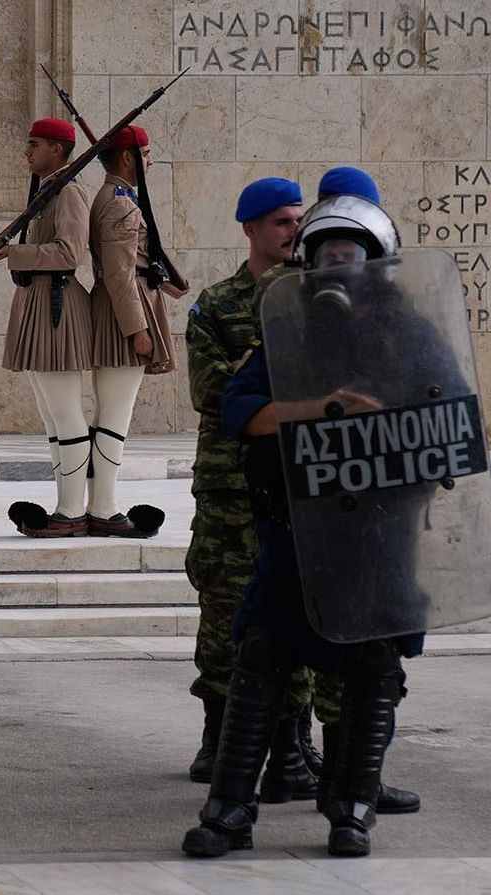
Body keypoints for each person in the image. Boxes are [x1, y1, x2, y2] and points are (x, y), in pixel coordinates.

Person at [182, 193, 425, 859]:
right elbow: (240, 410)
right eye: (325, 256)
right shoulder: (288, 331)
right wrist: (323, 407)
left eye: (348, 256)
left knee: (374, 663)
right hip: (298, 528)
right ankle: (230, 810)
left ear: (375, 263)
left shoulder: (412, 335)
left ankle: (351, 806)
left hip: (379, 534)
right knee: (262, 651)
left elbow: (451, 421)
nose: (336, 267)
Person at [182, 177, 319, 796]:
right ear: (250, 229)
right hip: (231, 486)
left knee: (306, 609)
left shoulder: (320, 299)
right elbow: (212, 394)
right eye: (281, 223)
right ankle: (220, 731)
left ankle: (294, 741)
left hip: (302, 479)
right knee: (226, 610)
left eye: (297, 221)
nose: (293, 232)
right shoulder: (216, 304)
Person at [0, 118, 97, 537]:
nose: (27, 151)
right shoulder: (47, 189)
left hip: (57, 304)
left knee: (65, 412)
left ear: (57, 148)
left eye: (34, 144)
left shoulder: (69, 191)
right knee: (51, 415)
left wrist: (16, 253)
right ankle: (65, 505)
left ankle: (72, 512)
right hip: (37, 301)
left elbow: (70, 253)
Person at [82, 124, 178, 538]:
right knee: (114, 417)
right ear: (127, 157)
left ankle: (97, 503)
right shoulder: (121, 205)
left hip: (123, 305)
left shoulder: (119, 198)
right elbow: (121, 275)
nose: (152, 160)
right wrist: (138, 328)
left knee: (109, 414)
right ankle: (104, 508)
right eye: (147, 152)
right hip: (125, 311)